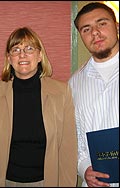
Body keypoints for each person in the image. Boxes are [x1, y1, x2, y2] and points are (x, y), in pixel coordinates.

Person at [0, 26, 77, 187]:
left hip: (47, 182)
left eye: (29, 48)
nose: (22, 54)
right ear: (9, 58)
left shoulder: (61, 92)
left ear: (39, 56)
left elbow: (68, 150)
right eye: (15, 49)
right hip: (5, 182)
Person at [69, 2, 119, 187]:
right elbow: (72, 136)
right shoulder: (74, 83)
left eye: (102, 23)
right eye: (86, 29)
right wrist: (84, 168)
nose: (95, 33)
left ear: (117, 26)